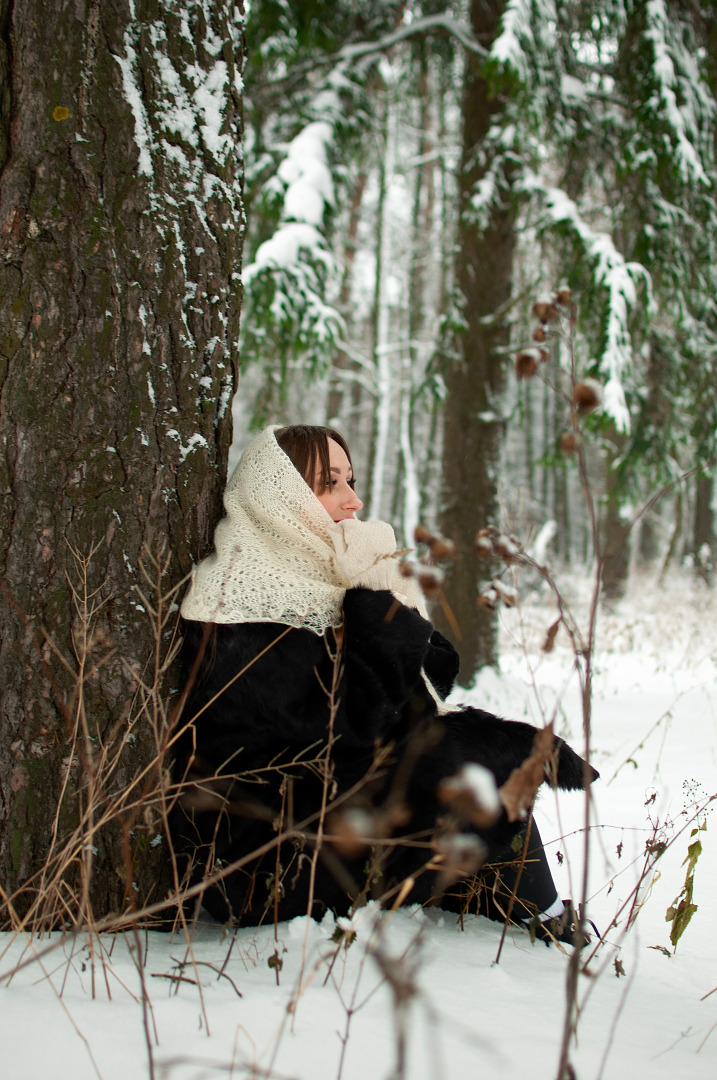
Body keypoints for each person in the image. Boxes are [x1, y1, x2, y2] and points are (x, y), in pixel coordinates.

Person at [171, 424, 597, 942]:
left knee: (456, 747)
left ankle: (516, 904)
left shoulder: (327, 577)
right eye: (330, 484)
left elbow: (433, 673)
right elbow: (346, 729)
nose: (354, 500)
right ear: (280, 497)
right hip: (266, 861)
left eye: (350, 479)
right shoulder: (234, 602)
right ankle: (543, 916)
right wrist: (376, 605)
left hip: (329, 818)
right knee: (461, 760)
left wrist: (383, 597)